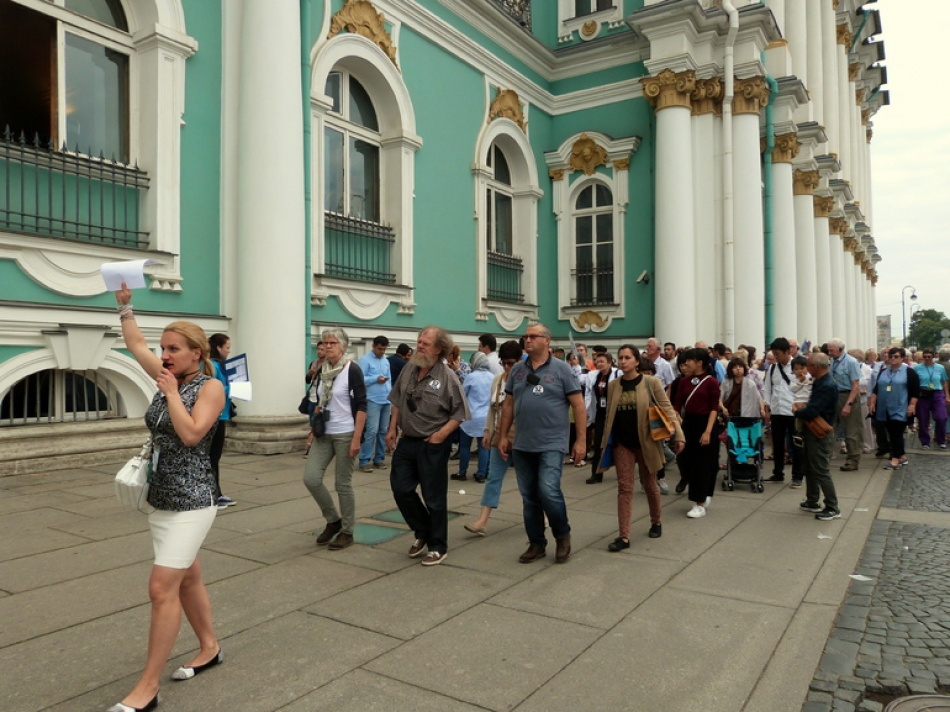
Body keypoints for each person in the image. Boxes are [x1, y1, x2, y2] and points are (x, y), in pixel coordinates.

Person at [110, 285, 225, 712]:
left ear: (197, 352)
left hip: (194, 500)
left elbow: (193, 434)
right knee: (188, 576)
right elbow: (136, 343)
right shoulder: (166, 375)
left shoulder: (209, 388)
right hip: (160, 498)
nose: (165, 355)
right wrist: (125, 307)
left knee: (161, 588)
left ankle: (147, 688)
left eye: (174, 348)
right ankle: (210, 647)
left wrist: (173, 395)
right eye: (164, 348)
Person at [497, 323, 586, 564]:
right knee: (529, 496)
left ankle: (562, 534)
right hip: (524, 443)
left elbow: (578, 406)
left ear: (546, 340)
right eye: (526, 336)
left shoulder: (562, 370)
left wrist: (580, 441)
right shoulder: (517, 370)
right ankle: (536, 543)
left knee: (548, 491)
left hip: (552, 443)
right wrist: (502, 436)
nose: (527, 339)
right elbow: (508, 405)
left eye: (533, 336)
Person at [385, 327, 469, 566]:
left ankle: (437, 546)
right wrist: (392, 429)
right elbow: (398, 401)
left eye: (425, 343)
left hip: (432, 445)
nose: (420, 346)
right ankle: (423, 530)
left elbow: (460, 413)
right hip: (407, 441)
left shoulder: (448, 378)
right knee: (401, 489)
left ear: (439, 349)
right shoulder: (409, 369)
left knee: (434, 497)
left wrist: (440, 436)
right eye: (419, 341)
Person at [598, 345, 684, 550]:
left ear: (637, 361)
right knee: (624, 488)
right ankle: (624, 536)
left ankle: (656, 521)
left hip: (646, 442)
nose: (623, 361)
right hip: (622, 443)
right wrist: (605, 442)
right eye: (621, 357)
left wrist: (679, 434)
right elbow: (610, 415)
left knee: (649, 484)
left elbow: (667, 409)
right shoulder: (614, 386)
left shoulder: (651, 383)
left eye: (628, 357)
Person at [304, 328, 367, 552]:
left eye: (332, 343)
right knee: (311, 478)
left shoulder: (352, 370)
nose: (328, 346)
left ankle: (347, 531)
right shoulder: (324, 369)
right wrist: (314, 428)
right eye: (325, 342)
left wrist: (356, 438)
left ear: (343, 346)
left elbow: (361, 406)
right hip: (324, 433)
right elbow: (321, 400)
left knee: (342, 483)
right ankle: (333, 520)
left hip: (345, 433)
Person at [463, 341, 522, 535]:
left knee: (528, 481)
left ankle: (543, 516)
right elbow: (492, 408)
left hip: (523, 438)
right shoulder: (497, 379)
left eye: (510, 363)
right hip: (500, 435)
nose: (506, 367)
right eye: (503, 362)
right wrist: (487, 431)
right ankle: (482, 521)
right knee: (493, 478)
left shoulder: (526, 380)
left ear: (520, 361)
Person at [672, 347, 721, 518]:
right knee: (684, 459)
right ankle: (702, 492)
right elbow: (677, 405)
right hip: (687, 423)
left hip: (706, 422)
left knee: (702, 464)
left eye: (690, 360)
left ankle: (699, 503)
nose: (686, 363)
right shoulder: (684, 381)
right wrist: (679, 421)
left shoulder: (711, 382)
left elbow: (714, 408)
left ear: (700, 363)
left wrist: (707, 431)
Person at [794, 353, 841, 520]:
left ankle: (832, 506)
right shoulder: (821, 382)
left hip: (820, 432)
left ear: (815, 367)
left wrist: (798, 411)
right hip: (813, 430)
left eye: (808, 366)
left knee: (820, 469)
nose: (807, 369)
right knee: (810, 466)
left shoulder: (826, 385)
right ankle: (812, 500)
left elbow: (814, 410)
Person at [869, 347, 919, 469]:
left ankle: (895, 459)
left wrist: (912, 406)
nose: (892, 359)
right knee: (892, 433)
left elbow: (915, 391)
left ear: (902, 358)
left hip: (900, 407)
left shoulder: (909, 372)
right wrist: (872, 402)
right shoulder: (884, 371)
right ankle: (902, 456)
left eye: (896, 356)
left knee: (896, 432)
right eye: (891, 356)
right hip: (884, 407)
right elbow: (876, 388)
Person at [763, 337, 799, 486]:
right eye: (774, 354)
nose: (775, 357)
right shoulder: (772, 369)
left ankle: (797, 476)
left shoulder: (798, 366)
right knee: (777, 445)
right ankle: (778, 472)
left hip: (793, 412)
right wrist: (767, 409)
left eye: (778, 353)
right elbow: (768, 389)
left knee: (796, 445)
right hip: (777, 411)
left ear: (787, 351)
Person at [453, 353, 493, 482]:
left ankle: (462, 472)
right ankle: (482, 473)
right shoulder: (493, 377)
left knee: (465, 446)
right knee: (484, 446)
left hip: (470, 417)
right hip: (486, 418)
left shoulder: (471, 377)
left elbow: (463, 395)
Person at [584, 352, 621, 484]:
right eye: (597, 361)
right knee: (599, 442)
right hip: (600, 413)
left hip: (614, 414)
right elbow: (588, 391)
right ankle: (596, 473)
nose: (599, 364)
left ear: (610, 362)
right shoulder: (593, 376)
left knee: (616, 443)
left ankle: (622, 470)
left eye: (602, 361)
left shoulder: (617, 374)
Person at [208, 333, 236, 508]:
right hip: (214, 416)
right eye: (227, 347)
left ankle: (217, 492)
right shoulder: (212, 365)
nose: (229, 351)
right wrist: (233, 387)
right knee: (212, 457)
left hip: (221, 415)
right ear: (218, 348)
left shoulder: (218, 365)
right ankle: (212, 495)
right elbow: (213, 388)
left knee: (215, 457)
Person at [827, 338, 863, 471]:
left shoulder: (851, 362)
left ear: (840, 350)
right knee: (830, 428)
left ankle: (853, 460)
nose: (829, 352)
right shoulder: (832, 361)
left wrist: (849, 404)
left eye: (832, 350)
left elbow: (855, 386)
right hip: (833, 396)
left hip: (847, 395)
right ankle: (826, 457)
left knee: (851, 430)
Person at [357, 335, 392, 473]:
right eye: (380, 349)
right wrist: (375, 379)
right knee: (372, 430)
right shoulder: (365, 360)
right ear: (373, 346)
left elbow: (389, 379)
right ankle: (364, 460)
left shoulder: (385, 361)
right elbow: (360, 380)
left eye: (384, 349)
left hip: (386, 399)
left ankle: (379, 458)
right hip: (372, 399)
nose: (382, 352)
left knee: (383, 431)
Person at [913, 347, 948, 449]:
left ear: (933, 356)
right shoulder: (918, 368)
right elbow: (915, 383)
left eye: (929, 356)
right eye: (925, 357)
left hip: (937, 393)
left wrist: (947, 396)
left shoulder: (940, 368)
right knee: (923, 419)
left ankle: (941, 439)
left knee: (941, 417)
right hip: (923, 394)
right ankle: (925, 442)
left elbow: (944, 382)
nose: (927, 358)